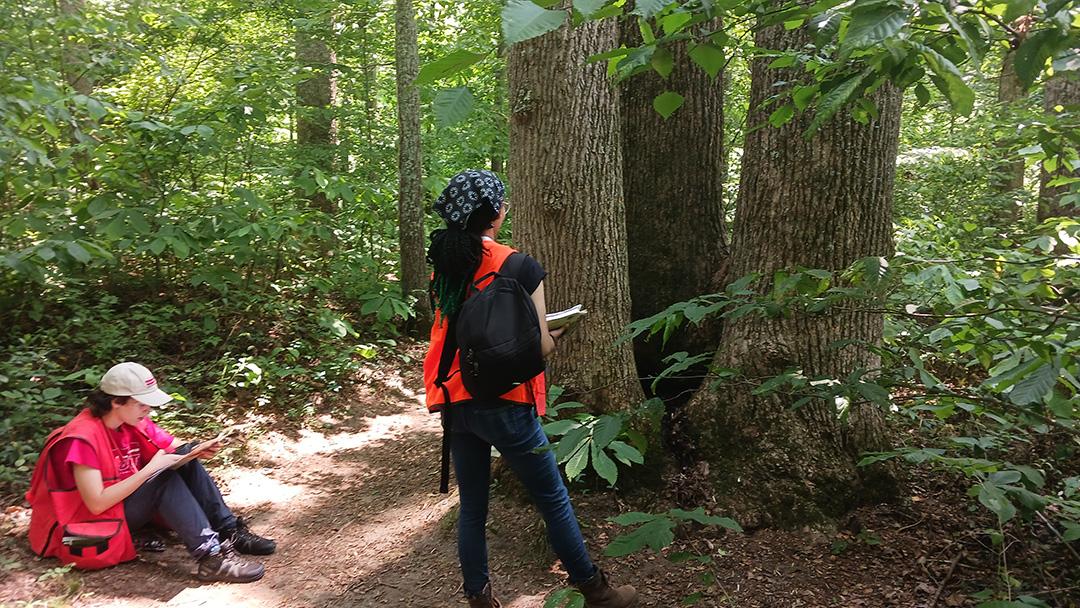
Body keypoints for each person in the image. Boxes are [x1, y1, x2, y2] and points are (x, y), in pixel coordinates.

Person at [422, 169, 638, 608]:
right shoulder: (519, 265)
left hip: (457, 400)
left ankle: (478, 598)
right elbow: (538, 347)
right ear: (496, 213)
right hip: (507, 401)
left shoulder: (442, 266)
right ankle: (596, 590)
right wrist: (557, 333)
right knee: (552, 498)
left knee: (473, 508)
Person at [26, 362, 275, 583]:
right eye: (142, 404)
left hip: (122, 510)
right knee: (162, 478)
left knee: (186, 460)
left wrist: (194, 451)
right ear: (116, 401)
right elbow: (96, 504)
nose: (149, 410)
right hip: (84, 533)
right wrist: (150, 470)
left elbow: (174, 449)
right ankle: (211, 558)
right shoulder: (82, 438)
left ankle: (229, 531)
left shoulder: (131, 421)